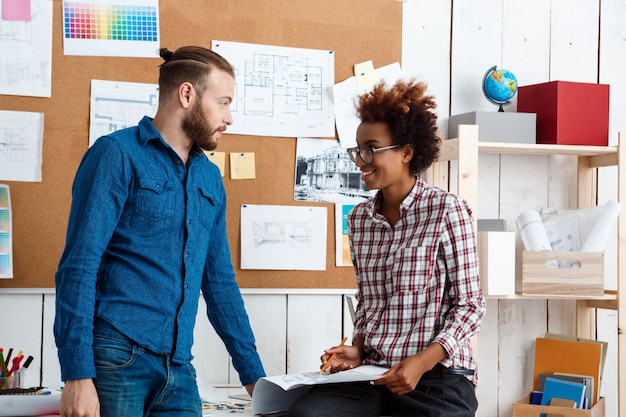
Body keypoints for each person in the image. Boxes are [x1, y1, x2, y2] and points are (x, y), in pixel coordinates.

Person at [54, 46, 265, 417]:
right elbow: (79, 265)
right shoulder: (115, 154)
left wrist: (257, 381)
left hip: (179, 367)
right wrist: (77, 375)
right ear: (187, 94)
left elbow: (220, 284)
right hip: (115, 357)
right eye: (224, 102)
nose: (230, 118)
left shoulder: (209, 177)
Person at [287, 79, 486, 417]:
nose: (360, 161)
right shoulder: (361, 219)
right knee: (306, 413)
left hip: (438, 377)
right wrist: (358, 349)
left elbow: (471, 306)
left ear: (406, 152)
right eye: (357, 150)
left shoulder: (447, 210)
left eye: (370, 149)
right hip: (374, 374)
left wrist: (420, 363)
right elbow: (370, 301)